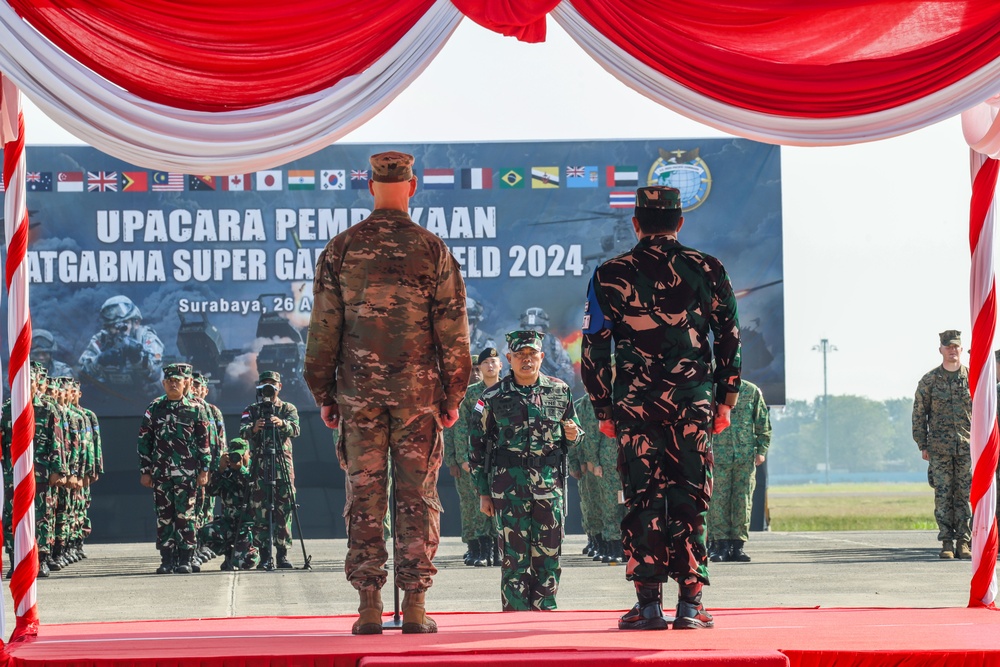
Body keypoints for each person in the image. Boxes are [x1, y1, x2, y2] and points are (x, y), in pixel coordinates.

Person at [304, 150, 471, 635]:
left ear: (371, 186)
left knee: (365, 494)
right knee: (417, 495)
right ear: (413, 187)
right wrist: (453, 395)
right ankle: (416, 605)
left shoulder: (342, 249)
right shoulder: (432, 249)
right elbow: (453, 332)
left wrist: (324, 393)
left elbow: (323, 330)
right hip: (418, 397)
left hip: (358, 396)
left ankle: (370, 606)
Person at [581, 185, 741, 631]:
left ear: (635, 223)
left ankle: (648, 605)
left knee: (642, 498)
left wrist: (603, 409)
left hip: (634, 408)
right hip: (693, 406)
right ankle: (691, 604)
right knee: (691, 497)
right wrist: (726, 400)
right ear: (680, 222)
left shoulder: (610, 273)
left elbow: (594, 348)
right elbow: (728, 337)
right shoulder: (707, 268)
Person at [469, 330, 583, 611]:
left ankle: (544, 613)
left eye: (532, 355)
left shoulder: (560, 390)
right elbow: (476, 447)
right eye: (520, 355)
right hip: (508, 490)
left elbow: (577, 432)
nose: (527, 360)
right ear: (509, 358)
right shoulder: (492, 396)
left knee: (549, 556)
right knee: (513, 559)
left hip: (549, 487)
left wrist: (573, 433)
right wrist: (483, 493)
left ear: (542, 357)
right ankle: (515, 616)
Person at [137, 362, 211, 575]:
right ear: (163, 383)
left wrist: (204, 470)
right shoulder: (154, 408)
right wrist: (145, 470)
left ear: (185, 382)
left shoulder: (196, 408)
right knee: (164, 516)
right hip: (161, 473)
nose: (172, 384)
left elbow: (203, 442)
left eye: (177, 381)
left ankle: (185, 558)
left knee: (185, 515)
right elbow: (144, 441)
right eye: (169, 381)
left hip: (187, 474)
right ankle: (166, 559)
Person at [912, 330, 972, 560]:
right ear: (941, 350)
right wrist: (922, 444)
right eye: (948, 347)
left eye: (955, 346)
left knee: (965, 495)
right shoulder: (929, 380)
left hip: (967, 447)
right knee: (943, 495)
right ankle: (947, 542)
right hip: (939, 448)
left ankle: (964, 543)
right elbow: (919, 413)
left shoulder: (973, 377)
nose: (952, 350)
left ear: (960, 349)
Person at [445, 347, 503, 567]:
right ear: (479, 367)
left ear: (501, 365)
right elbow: (460, 428)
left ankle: (499, 549)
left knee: (501, 502)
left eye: (493, 362)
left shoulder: (509, 389)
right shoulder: (469, 394)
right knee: (475, 503)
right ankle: (480, 548)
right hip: (477, 457)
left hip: (503, 458)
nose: (489, 366)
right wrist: (463, 458)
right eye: (485, 363)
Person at [239, 370, 300, 570]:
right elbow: (242, 432)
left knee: (284, 508)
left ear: (279, 387)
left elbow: (296, 429)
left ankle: (282, 555)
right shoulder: (252, 409)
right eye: (265, 385)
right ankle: (264, 555)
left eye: (272, 385)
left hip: (282, 464)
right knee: (260, 510)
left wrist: (282, 423)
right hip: (259, 465)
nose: (268, 389)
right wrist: (254, 428)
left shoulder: (287, 408)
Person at [707, 379, 770, 563]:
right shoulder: (711, 390)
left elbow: (762, 422)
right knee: (718, 502)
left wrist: (761, 450)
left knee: (743, 501)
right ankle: (721, 546)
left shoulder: (751, 391)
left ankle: (738, 546)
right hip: (718, 456)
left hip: (744, 456)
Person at [573, 393, 625, 564]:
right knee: (610, 504)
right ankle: (613, 545)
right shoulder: (595, 400)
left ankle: (632, 546)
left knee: (634, 505)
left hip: (633, 458)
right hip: (610, 460)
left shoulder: (633, 392)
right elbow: (591, 433)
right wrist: (593, 461)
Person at [79, 295, 164, 398]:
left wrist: (137, 359)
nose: (118, 330)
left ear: (135, 323)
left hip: (146, 396)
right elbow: (82, 374)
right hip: (112, 397)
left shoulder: (146, 337)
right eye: (112, 326)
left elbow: (156, 372)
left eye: (125, 324)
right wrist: (100, 360)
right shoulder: (101, 339)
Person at [199, 437, 259, 570]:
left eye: (240, 455)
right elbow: (211, 491)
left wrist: (240, 469)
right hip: (229, 524)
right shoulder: (225, 474)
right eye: (234, 455)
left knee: (246, 562)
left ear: (248, 454)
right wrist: (219, 470)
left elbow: (253, 489)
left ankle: (243, 554)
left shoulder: (254, 471)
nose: (237, 459)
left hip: (247, 527)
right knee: (204, 533)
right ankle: (229, 554)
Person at [519, 307, 575, 386]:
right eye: (527, 327)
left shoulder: (554, 345)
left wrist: (553, 365)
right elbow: (502, 373)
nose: (531, 330)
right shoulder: (513, 345)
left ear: (543, 328)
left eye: (536, 327)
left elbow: (569, 378)